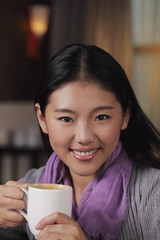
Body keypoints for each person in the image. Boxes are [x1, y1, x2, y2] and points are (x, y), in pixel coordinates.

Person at [0, 43, 160, 240]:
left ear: (125, 115)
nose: (84, 137)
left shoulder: (153, 193)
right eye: (66, 119)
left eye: (101, 117)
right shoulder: (30, 188)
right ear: (42, 119)